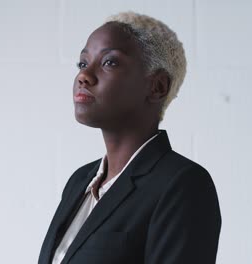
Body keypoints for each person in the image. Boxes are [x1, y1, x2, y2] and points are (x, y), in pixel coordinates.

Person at [38, 11, 222, 264]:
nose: (84, 76)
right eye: (82, 63)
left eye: (109, 62)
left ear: (157, 86)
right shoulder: (79, 182)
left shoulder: (182, 185)